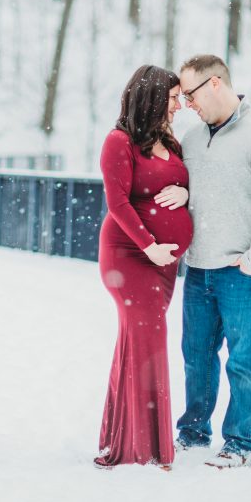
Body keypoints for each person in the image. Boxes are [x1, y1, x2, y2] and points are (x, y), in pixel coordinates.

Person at [173, 54, 251, 469]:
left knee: (243, 358)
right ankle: (192, 432)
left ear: (215, 84)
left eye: (190, 94)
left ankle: (239, 442)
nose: (187, 104)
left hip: (246, 271)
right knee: (197, 354)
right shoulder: (191, 138)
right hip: (200, 267)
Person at [93, 65, 193, 471]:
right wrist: (150, 246)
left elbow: (185, 185)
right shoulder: (119, 142)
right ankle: (142, 448)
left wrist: (185, 191)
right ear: (152, 98)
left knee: (137, 343)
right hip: (129, 256)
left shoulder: (171, 141)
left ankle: (125, 437)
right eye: (172, 98)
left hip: (162, 264)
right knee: (149, 340)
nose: (178, 105)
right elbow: (117, 203)